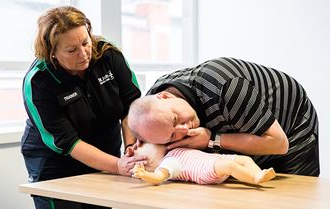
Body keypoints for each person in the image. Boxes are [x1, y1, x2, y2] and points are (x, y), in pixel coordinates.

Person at [21, 6, 146, 209]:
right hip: (57, 162)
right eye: (71, 50)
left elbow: (131, 107)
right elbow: (68, 142)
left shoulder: (107, 54)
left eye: (86, 42)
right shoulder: (39, 81)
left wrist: (131, 148)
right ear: (52, 52)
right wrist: (116, 165)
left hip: (105, 147)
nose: (84, 53)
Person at [128, 57, 319, 177]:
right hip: (237, 128)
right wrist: (138, 148)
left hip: (292, 125)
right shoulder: (153, 109)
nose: (184, 130)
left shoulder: (225, 89)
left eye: (175, 120)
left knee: (291, 198)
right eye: (171, 136)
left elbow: (279, 143)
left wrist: (212, 140)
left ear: (166, 96)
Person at [132, 143, 276, 185]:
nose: (139, 143)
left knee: (245, 160)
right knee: (230, 166)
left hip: (214, 161)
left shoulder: (173, 150)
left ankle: (258, 174)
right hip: (205, 171)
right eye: (142, 144)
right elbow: (158, 178)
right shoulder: (167, 162)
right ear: (147, 160)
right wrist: (145, 174)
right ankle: (254, 179)